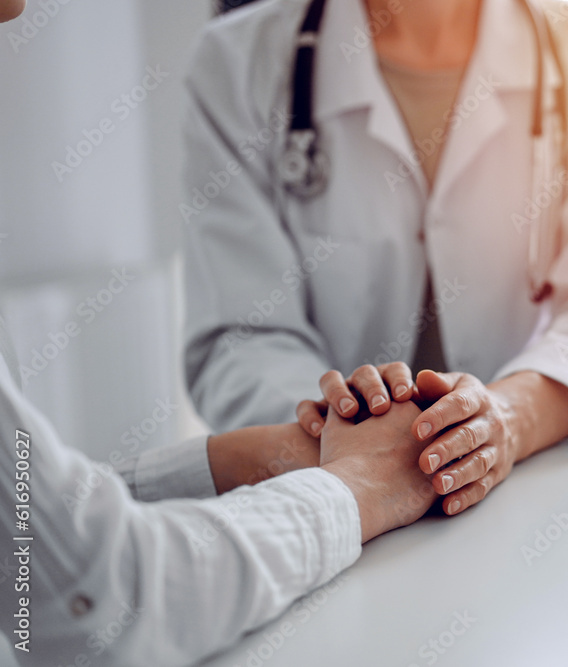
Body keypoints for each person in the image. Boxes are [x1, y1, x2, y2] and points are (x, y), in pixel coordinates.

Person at [0, 5, 436, 659]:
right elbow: (88, 601)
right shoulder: (244, 56)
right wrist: (364, 479)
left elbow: (30, 524)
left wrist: (252, 457)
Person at [182, 0, 568, 518]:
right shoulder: (235, 62)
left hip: (533, 498)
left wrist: (505, 419)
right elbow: (242, 335)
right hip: (315, 503)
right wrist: (348, 439)